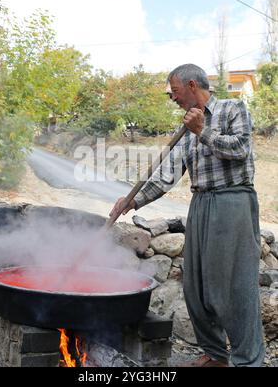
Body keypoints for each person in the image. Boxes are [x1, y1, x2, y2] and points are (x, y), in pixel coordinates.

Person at [110, 64, 265, 367]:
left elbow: (241, 150)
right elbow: (167, 176)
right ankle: (217, 355)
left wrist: (203, 133)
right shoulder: (185, 126)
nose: (172, 98)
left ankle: (247, 360)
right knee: (195, 285)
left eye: (174, 91)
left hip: (233, 202)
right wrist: (133, 201)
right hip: (201, 203)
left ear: (192, 85)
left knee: (234, 287)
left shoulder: (233, 108)